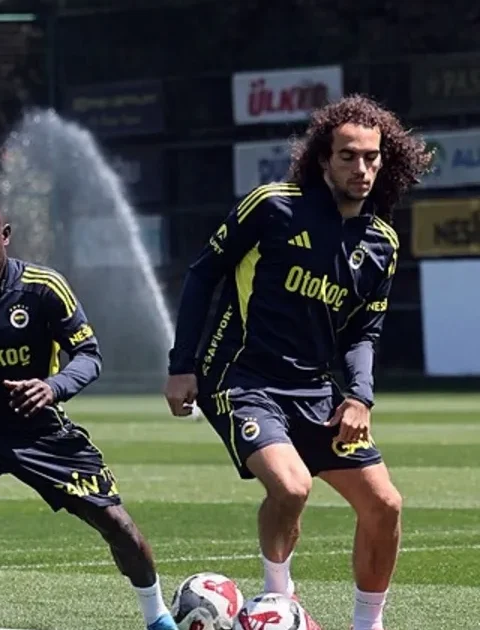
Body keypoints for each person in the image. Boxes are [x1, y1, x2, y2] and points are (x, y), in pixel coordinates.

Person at [164, 95, 430, 630]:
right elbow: (203, 273)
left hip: (315, 390)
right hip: (241, 379)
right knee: (291, 486)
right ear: (323, 159)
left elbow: (363, 332)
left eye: (372, 157)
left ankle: (367, 624)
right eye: (348, 156)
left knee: (385, 505)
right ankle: (277, 602)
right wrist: (182, 364)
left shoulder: (381, 243)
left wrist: (359, 396)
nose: (362, 168)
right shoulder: (272, 206)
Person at [0, 197, 179, 630]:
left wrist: (52, 387)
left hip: (40, 431)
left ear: (5, 236)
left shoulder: (43, 288)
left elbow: (89, 356)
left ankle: (156, 614)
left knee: (115, 524)